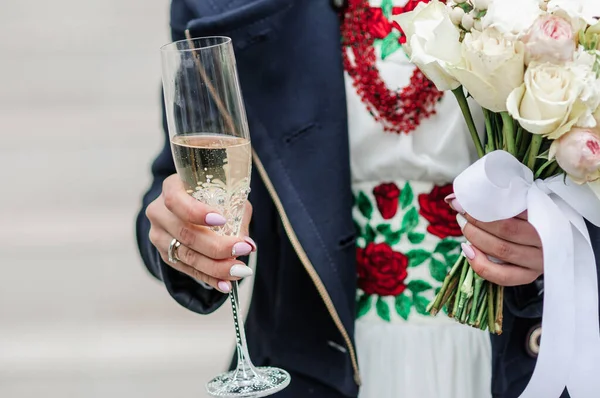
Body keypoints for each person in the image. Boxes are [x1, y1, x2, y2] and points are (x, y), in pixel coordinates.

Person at [136, 1, 600, 397]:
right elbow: (173, 190)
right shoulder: (223, 7)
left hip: (519, 356)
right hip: (319, 366)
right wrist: (181, 238)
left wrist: (570, 244)